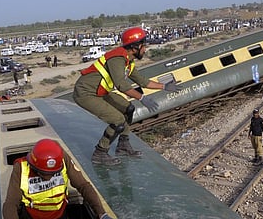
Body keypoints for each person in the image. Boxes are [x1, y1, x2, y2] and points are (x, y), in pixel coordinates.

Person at [73, 26, 182, 165]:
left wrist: (164, 86)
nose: (145, 49)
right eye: (144, 45)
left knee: (128, 108)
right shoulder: (117, 58)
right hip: (86, 93)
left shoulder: (128, 61)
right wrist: (142, 98)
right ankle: (100, 152)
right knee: (118, 120)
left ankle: (123, 146)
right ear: (135, 47)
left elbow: (142, 81)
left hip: (99, 92)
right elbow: (121, 85)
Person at [2, 139, 129, 219]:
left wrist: (102, 214)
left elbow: (83, 186)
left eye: (53, 174)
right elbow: (10, 204)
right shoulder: (21, 168)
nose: (49, 178)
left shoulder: (63, 158)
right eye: (42, 174)